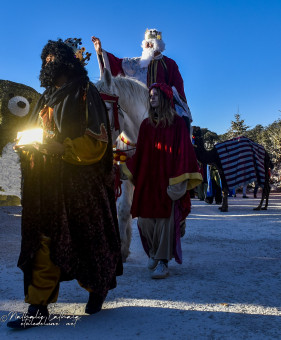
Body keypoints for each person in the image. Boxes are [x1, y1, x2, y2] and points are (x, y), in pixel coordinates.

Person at [7, 38, 123, 329]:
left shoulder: (85, 92)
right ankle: (38, 306)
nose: (46, 63)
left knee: (90, 239)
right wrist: (26, 145)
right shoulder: (44, 97)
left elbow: (98, 139)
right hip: (45, 183)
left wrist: (64, 148)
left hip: (81, 183)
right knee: (42, 239)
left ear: (66, 62)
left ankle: (98, 290)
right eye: (44, 58)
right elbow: (32, 131)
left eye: (51, 59)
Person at [122, 83, 202, 279]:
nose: (152, 98)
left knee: (165, 222)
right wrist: (125, 167)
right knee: (146, 222)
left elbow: (184, 153)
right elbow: (140, 153)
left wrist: (178, 183)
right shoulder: (146, 125)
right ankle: (154, 254)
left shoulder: (178, 124)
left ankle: (163, 262)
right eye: (150, 96)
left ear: (166, 98)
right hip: (149, 181)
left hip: (168, 180)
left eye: (156, 95)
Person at [91, 29, 192, 131]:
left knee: (182, 121)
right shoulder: (136, 63)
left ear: (158, 45)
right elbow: (116, 64)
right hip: (139, 104)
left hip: (163, 104)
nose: (147, 46)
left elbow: (177, 86)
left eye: (150, 43)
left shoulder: (169, 64)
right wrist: (100, 52)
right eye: (146, 43)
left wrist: (164, 96)